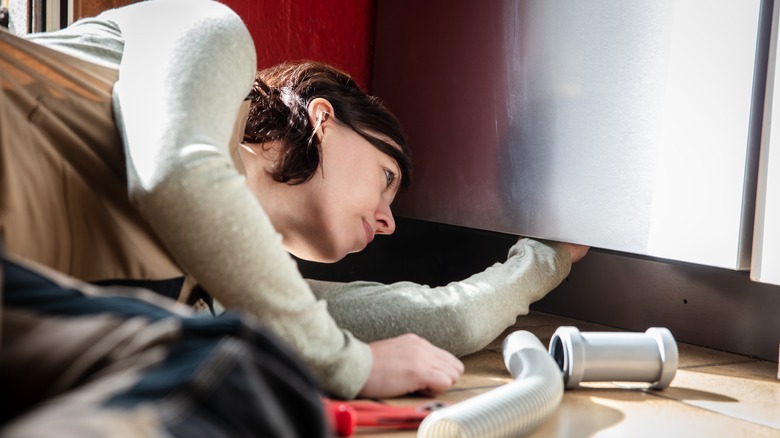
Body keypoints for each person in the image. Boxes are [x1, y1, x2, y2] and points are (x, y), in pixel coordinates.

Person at [0, 0, 588, 430]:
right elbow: (178, 173)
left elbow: (438, 325)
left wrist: (550, 257)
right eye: (387, 179)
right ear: (323, 119)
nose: (387, 221)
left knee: (233, 368)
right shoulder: (206, 32)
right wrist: (348, 365)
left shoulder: (234, 299)